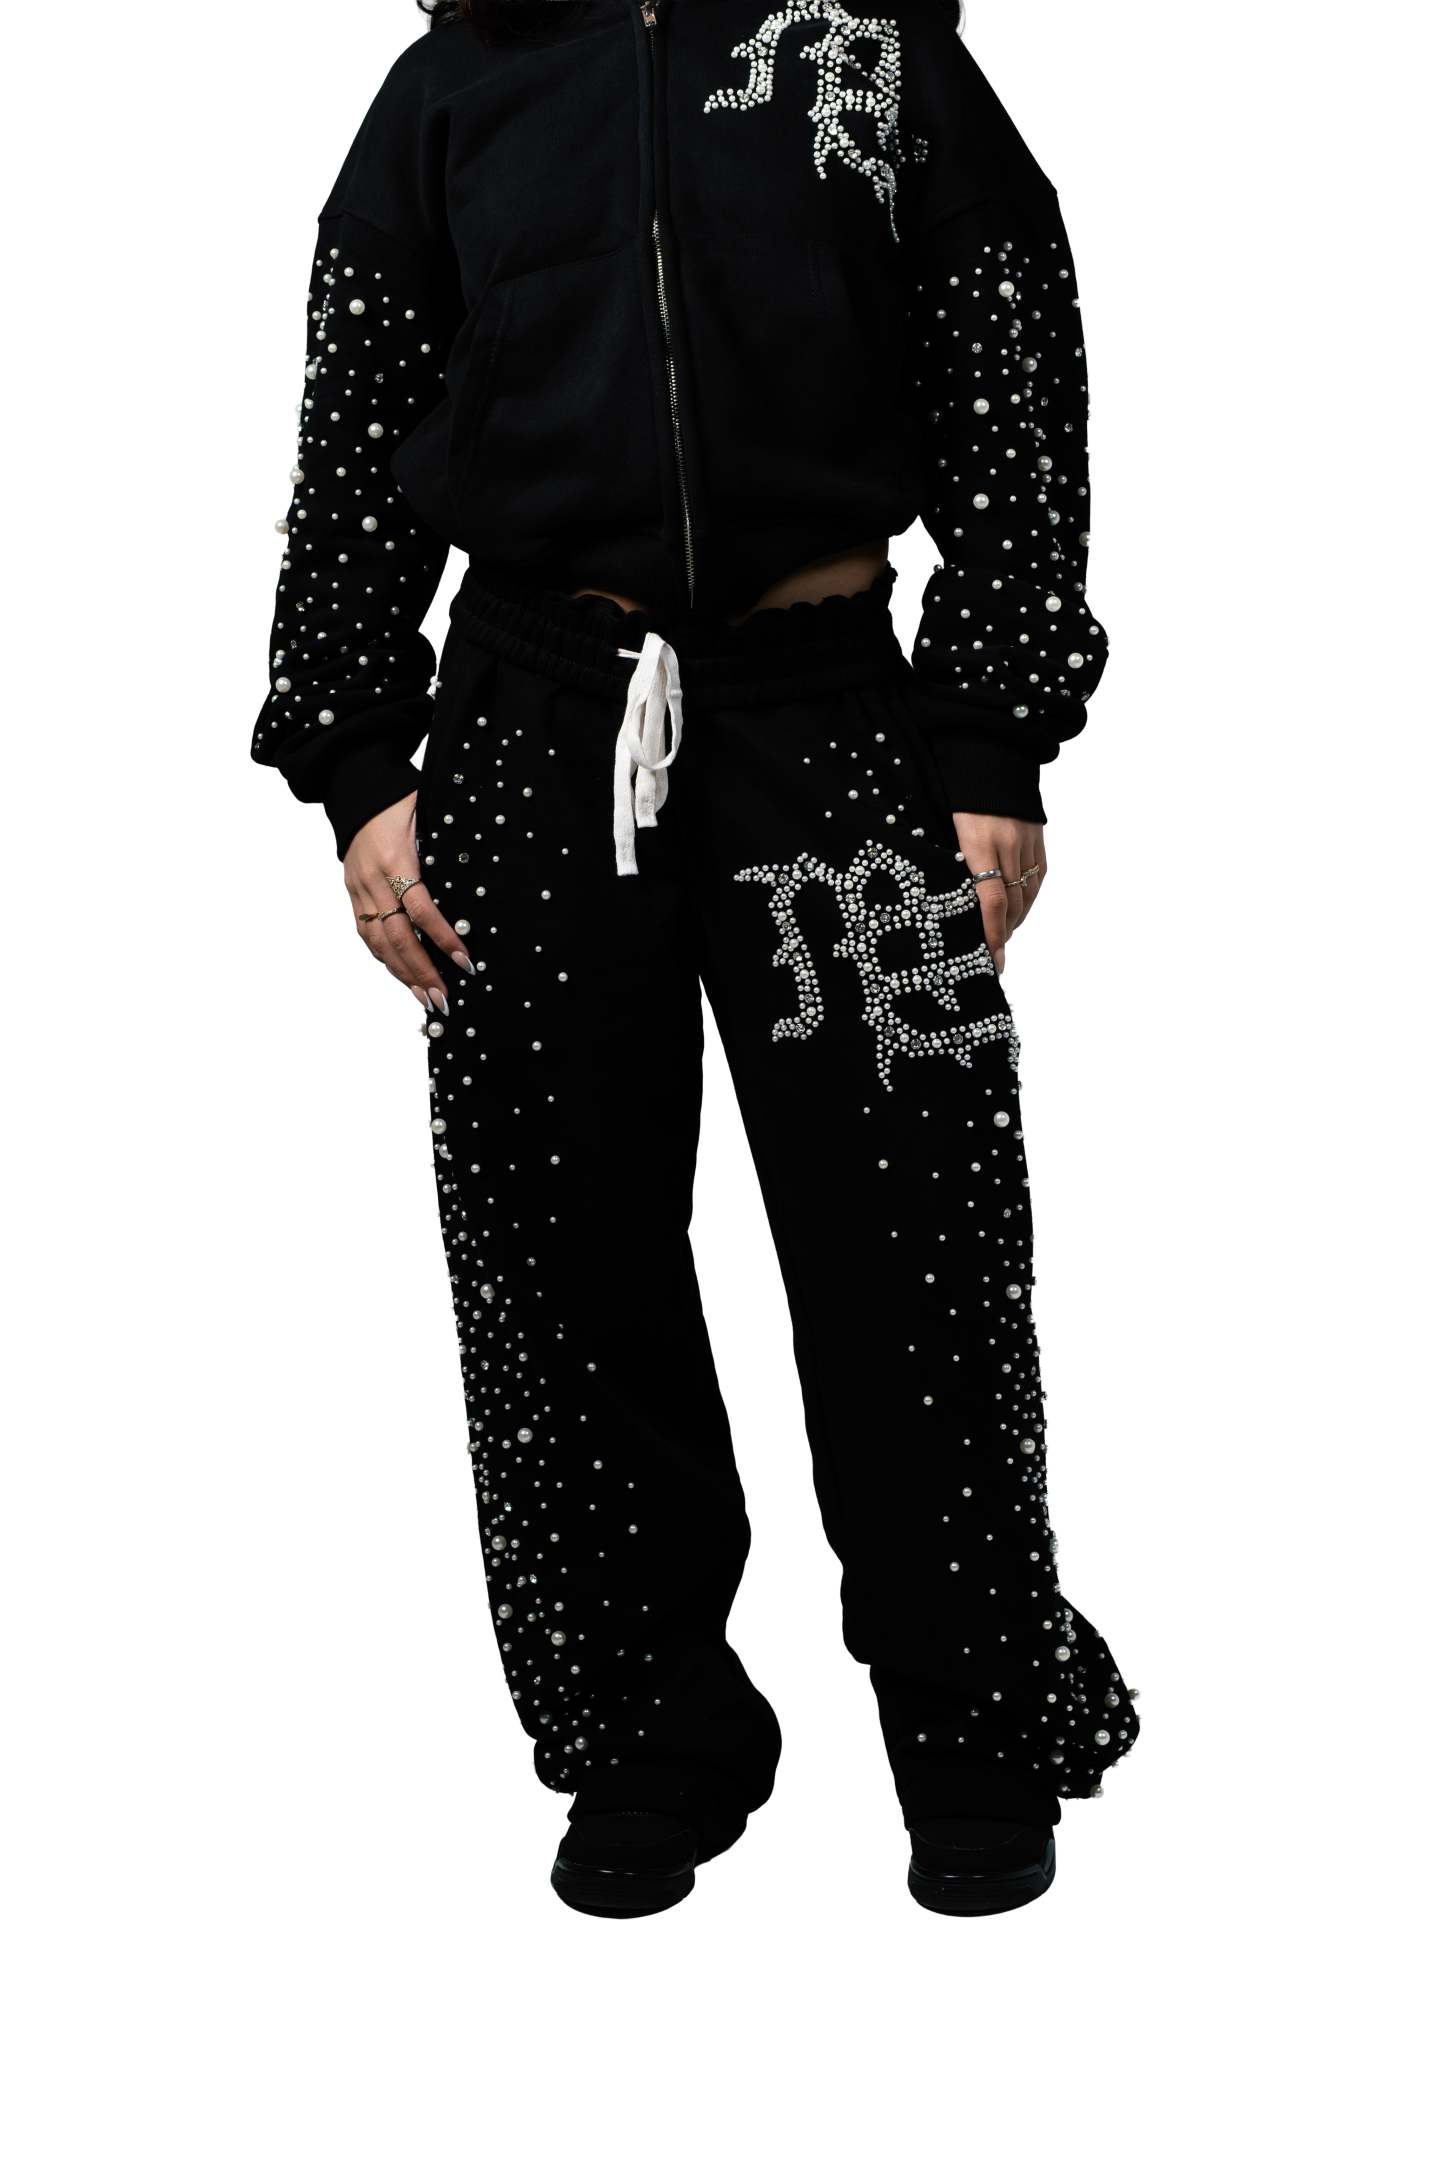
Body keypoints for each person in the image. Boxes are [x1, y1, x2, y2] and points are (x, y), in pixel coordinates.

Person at [254, 0, 1137, 1918]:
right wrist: (356, 759)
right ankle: (648, 1735)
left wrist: (991, 735)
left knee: (918, 1242)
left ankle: (975, 1729)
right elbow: (355, 415)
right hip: (526, 732)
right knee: (556, 1256)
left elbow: (1013, 367)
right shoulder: (454, 84)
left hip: (839, 730)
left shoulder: (865, 45)